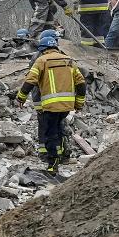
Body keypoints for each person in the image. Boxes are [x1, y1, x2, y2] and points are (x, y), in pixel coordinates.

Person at [15, 35, 86, 174]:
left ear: (43, 49)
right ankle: (60, 156)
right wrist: (79, 103)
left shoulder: (42, 60)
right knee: (58, 130)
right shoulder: (69, 61)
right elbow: (81, 83)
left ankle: (52, 164)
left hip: (50, 106)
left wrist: (21, 97)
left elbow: (30, 80)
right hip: (66, 106)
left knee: (50, 133)